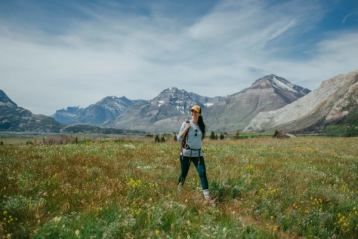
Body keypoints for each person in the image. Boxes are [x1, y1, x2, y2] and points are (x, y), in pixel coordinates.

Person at [177, 105, 212, 201]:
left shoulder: (202, 126)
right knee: (183, 174)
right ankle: (178, 191)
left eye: (196, 112)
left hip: (198, 154)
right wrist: (186, 129)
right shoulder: (186, 123)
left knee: (202, 173)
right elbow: (178, 138)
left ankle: (207, 197)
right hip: (186, 154)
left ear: (199, 114)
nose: (193, 113)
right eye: (192, 111)